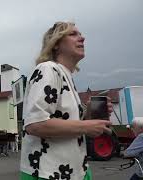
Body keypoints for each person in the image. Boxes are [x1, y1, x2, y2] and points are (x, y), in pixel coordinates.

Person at [20, 22, 113, 180]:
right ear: (55, 44)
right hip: (48, 172)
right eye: (73, 34)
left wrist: (88, 115)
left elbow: (67, 127)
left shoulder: (65, 75)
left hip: (75, 170)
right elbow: (35, 124)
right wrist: (85, 126)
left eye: (80, 34)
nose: (82, 38)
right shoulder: (48, 69)